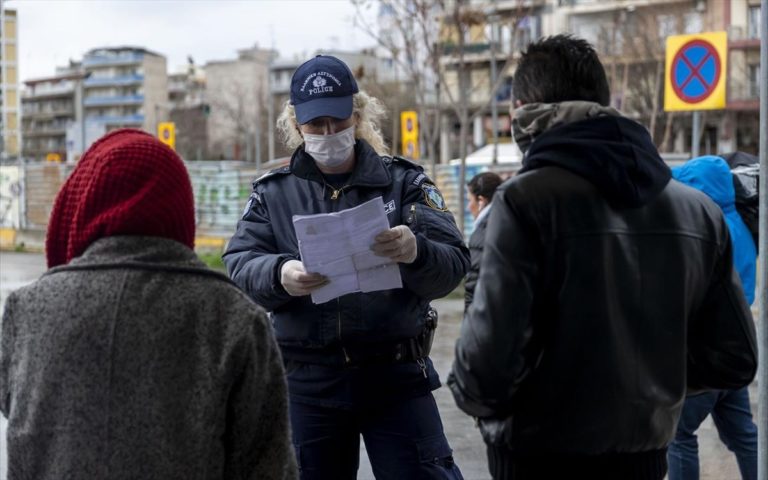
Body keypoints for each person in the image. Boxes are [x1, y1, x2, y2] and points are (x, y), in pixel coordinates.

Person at [448, 35, 757, 480]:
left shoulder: (523, 201)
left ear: (522, 110)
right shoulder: (698, 209)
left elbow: (483, 373)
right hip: (647, 455)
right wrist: (651, 384)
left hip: (536, 456)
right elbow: (734, 358)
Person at [223, 55, 469, 479]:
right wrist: (281, 274)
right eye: (315, 126)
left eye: (338, 123)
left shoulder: (405, 183)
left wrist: (416, 252)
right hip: (308, 383)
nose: (328, 134)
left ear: (357, 115)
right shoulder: (273, 194)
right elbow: (240, 265)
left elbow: (454, 265)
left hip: (395, 375)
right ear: (296, 126)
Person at [0, 129, 297, 479]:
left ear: (83, 207)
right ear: (181, 213)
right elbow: (267, 465)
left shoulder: (30, 308)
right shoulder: (234, 318)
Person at [666, 155, 758, 480]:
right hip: (735, 341)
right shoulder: (741, 224)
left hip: (705, 347)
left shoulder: (708, 228)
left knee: (679, 436)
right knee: (744, 434)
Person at [465, 171, 503, 311]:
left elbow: (473, 288)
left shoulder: (482, 232)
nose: (469, 207)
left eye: (470, 200)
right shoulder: (508, 223)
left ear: (481, 201)